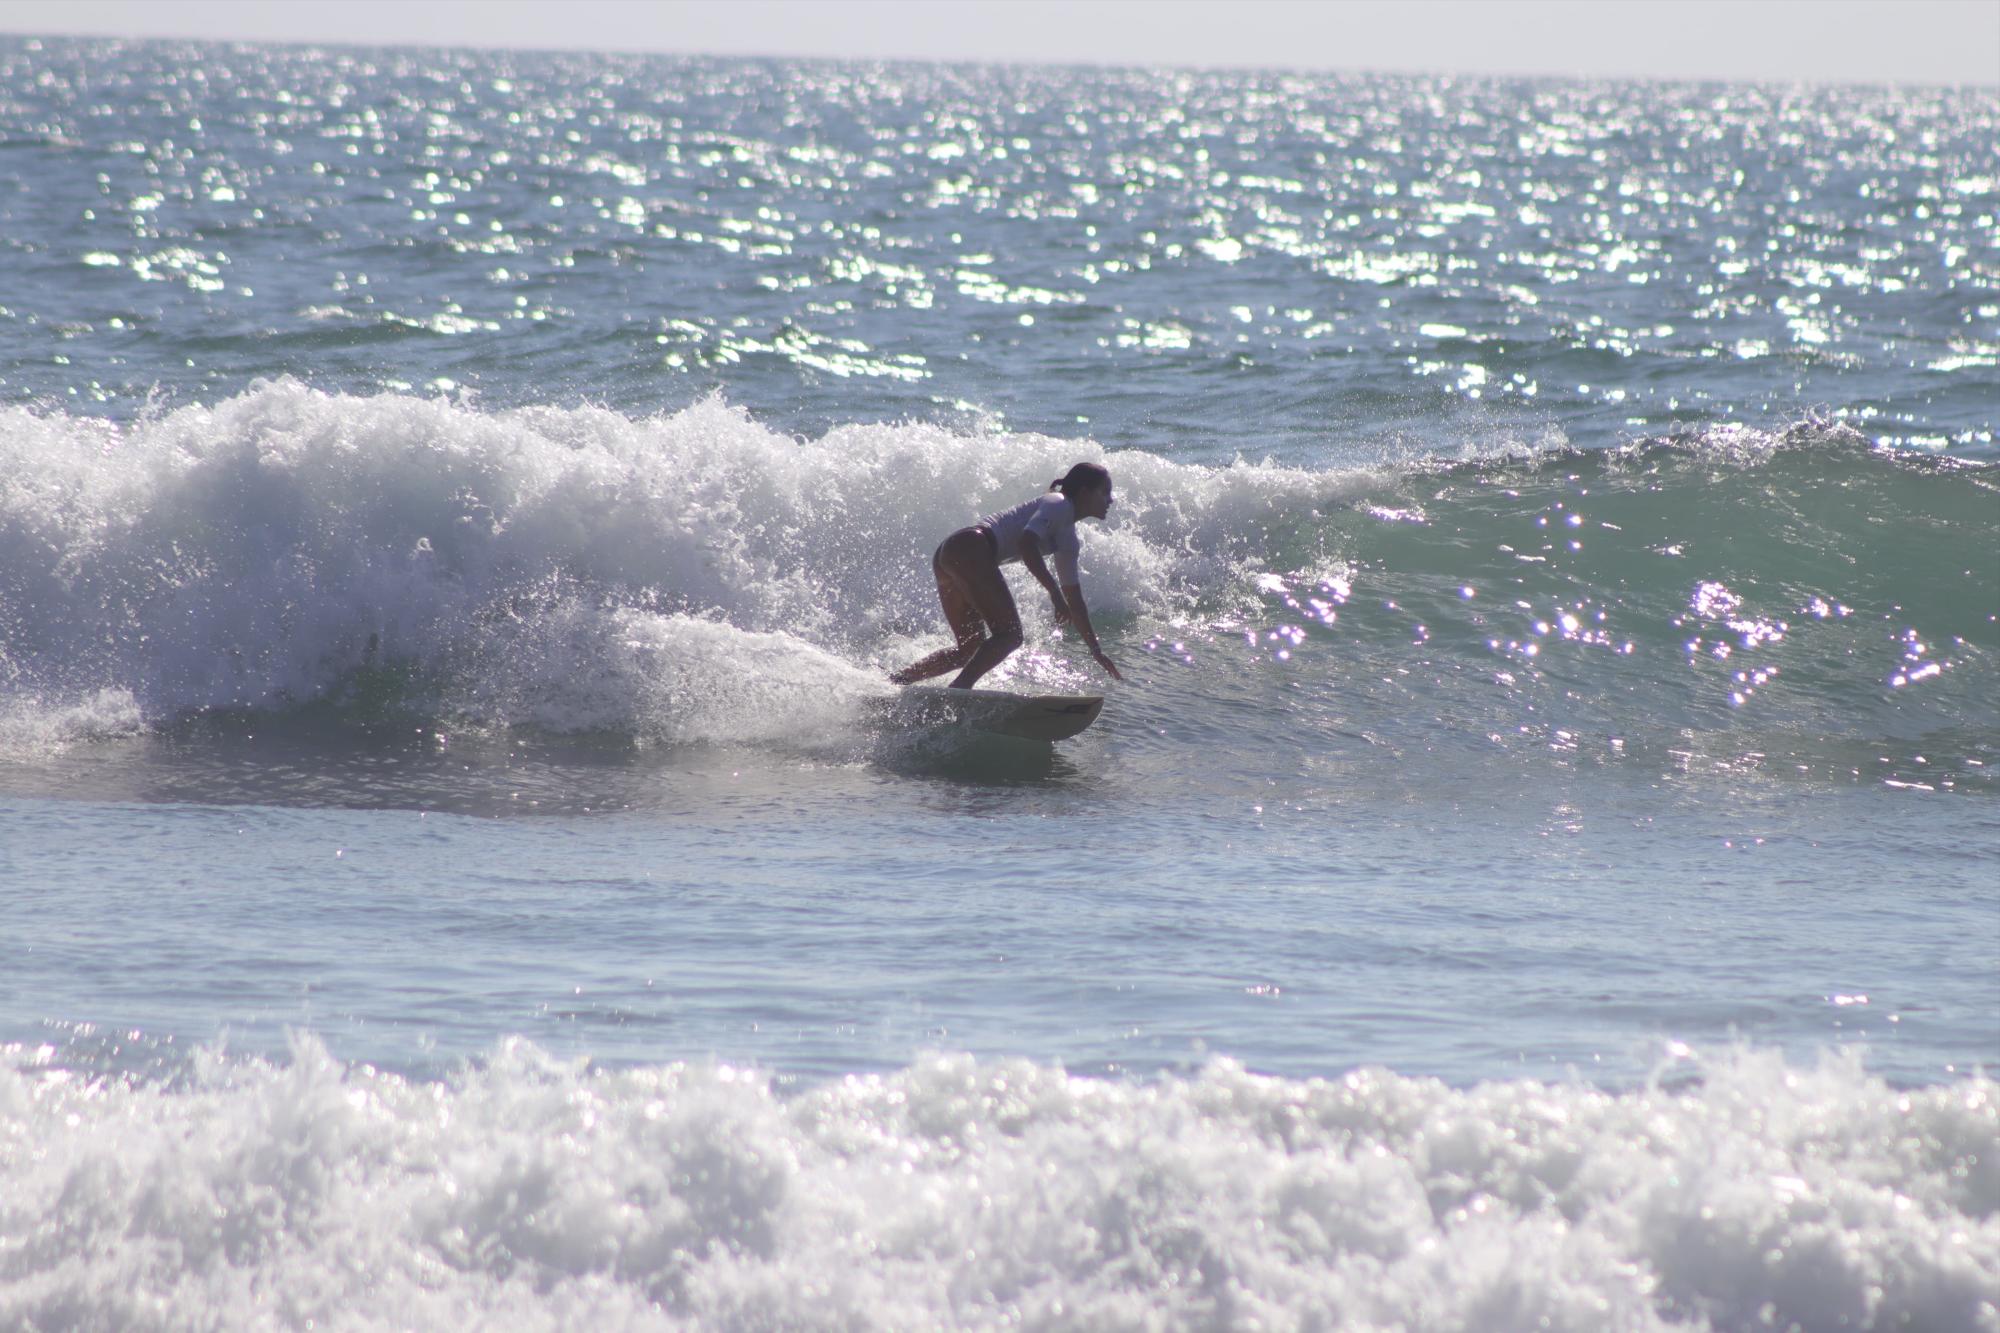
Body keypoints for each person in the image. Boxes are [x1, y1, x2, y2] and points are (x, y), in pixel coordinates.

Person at [890, 462, 1126, 689]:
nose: (1110, 499)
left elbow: (1075, 600)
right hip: (971, 547)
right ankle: (960, 689)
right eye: (1105, 492)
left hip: (953, 553)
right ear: (1085, 492)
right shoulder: (1059, 503)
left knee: (969, 648)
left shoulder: (1068, 540)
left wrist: (1096, 651)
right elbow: (1026, 544)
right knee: (1010, 635)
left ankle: (898, 680)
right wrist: (1054, 594)